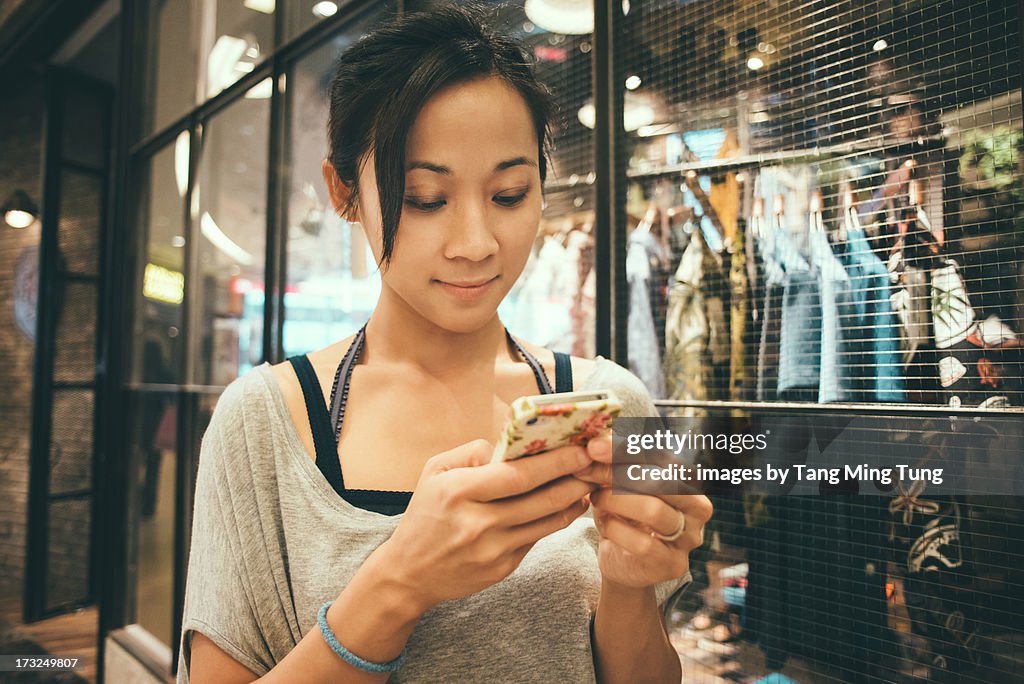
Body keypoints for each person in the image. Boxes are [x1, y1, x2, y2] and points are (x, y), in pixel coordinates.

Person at [178, 4, 712, 682]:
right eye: (426, 198)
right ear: (345, 192)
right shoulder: (262, 425)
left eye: (510, 194)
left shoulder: (610, 401)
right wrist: (400, 583)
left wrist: (633, 584)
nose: (475, 244)